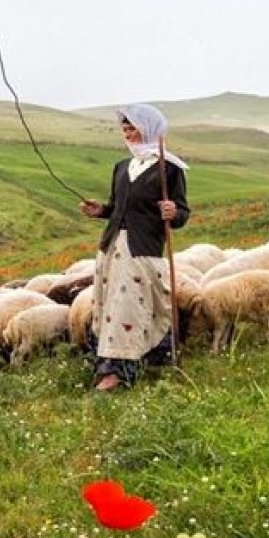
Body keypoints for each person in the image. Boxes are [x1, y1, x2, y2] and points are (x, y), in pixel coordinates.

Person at [79, 103, 190, 392]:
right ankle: (109, 363)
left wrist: (173, 212)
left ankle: (121, 372)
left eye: (133, 129)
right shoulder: (120, 167)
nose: (128, 134)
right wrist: (100, 211)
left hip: (142, 249)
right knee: (110, 306)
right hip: (111, 248)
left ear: (149, 130)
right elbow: (117, 208)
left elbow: (182, 214)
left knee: (131, 307)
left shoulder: (170, 169)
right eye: (125, 129)